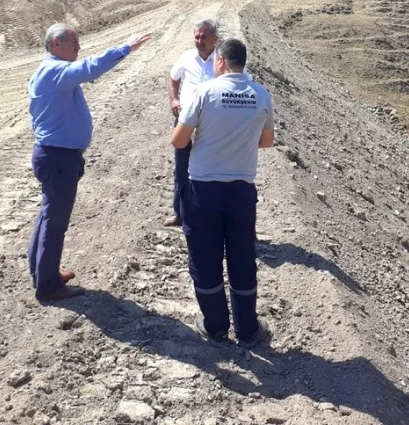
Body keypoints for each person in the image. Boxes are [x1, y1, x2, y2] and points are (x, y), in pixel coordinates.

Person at [28, 23, 152, 301]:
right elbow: (89, 68)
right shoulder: (54, 71)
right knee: (54, 222)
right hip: (58, 157)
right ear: (57, 44)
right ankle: (48, 286)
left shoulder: (50, 72)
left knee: (49, 217)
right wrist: (125, 48)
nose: (79, 47)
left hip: (55, 155)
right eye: (74, 41)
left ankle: (43, 272)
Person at [171, 38, 275, 348]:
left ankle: (215, 326)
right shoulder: (261, 95)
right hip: (241, 190)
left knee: (205, 258)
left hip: (203, 190)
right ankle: (248, 329)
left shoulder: (204, 92)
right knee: (242, 258)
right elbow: (267, 142)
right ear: (243, 63)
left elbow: (179, 141)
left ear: (220, 63)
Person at [165, 20, 220, 227]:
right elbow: (173, 76)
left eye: (204, 37)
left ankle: (210, 214)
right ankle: (179, 212)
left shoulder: (222, 62)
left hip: (212, 124)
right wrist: (174, 99)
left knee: (212, 168)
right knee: (182, 166)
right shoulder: (187, 57)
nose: (199, 41)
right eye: (197, 36)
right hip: (186, 121)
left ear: (215, 38)